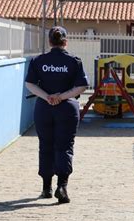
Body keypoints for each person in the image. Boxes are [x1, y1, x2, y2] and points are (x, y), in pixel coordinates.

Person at [25, 26, 88, 203]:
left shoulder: (38, 60)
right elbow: (82, 86)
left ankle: (46, 188)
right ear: (65, 41)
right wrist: (61, 97)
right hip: (67, 108)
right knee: (64, 146)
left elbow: (30, 84)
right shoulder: (74, 61)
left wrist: (47, 97)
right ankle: (62, 186)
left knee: (46, 145)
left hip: (44, 108)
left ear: (50, 42)